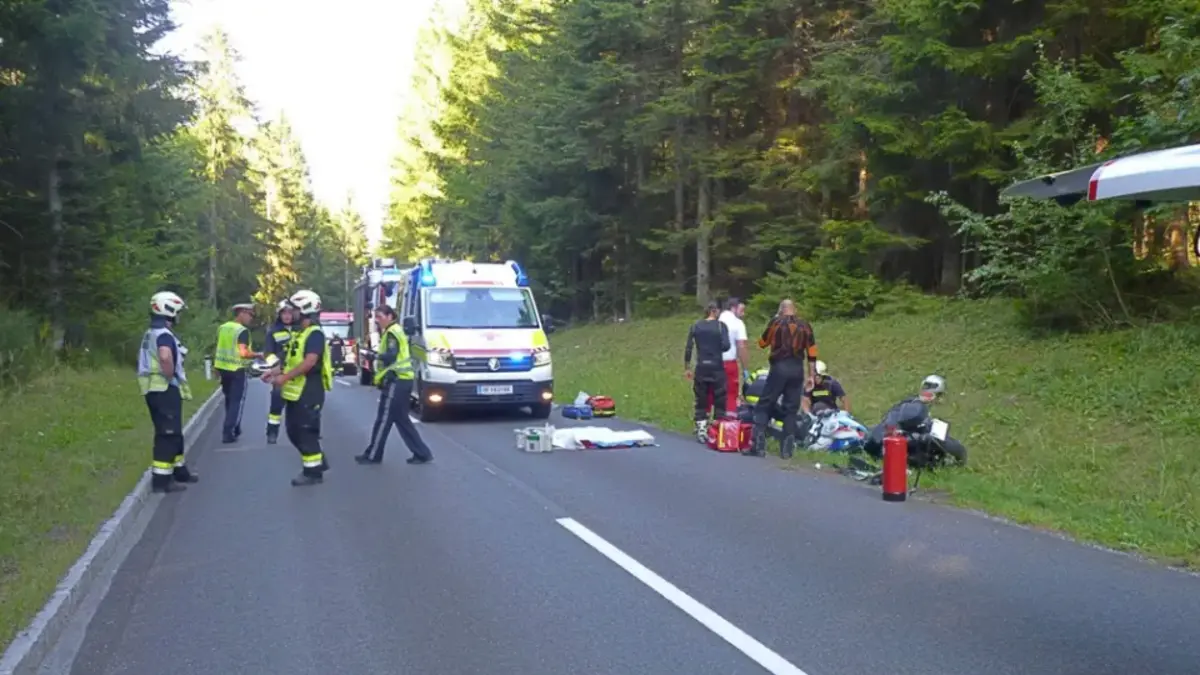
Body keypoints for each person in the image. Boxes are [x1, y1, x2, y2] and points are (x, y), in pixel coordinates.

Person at [136, 291, 199, 493]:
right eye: (177, 311)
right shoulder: (163, 334)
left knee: (173, 431)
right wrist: (170, 374)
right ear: (169, 310)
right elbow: (165, 357)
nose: (178, 315)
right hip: (163, 388)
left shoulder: (151, 332)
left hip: (153, 389)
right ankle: (162, 481)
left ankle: (180, 471)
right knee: (168, 434)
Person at [356, 305, 434, 465]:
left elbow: (392, 356)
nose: (377, 320)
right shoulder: (396, 330)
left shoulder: (392, 333)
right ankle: (422, 453)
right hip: (403, 380)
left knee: (384, 418)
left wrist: (375, 356)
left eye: (380, 316)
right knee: (401, 419)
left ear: (390, 316)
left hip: (396, 381)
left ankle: (373, 454)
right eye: (376, 317)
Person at [271, 290, 333, 486]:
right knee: (293, 430)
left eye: (295, 309)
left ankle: (313, 472)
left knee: (306, 432)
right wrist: (273, 374)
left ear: (305, 309)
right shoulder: (301, 333)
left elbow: (309, 362)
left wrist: (284, 378)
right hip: (296, 392)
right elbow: (292, 360)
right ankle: (317, 460)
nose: (292, 313)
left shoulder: (314, 334)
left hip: (309, 390)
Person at [747, 298, 817, 459]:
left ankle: (758, 445)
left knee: (765, 403)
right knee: (791, 409)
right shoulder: (805, 326)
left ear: (781, 309)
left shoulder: (776, 323)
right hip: (797, 368)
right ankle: (787, 450)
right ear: (795, 309)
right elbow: (812, 353)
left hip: (779, 367)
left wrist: (774, 320)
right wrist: (811, 376)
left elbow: (762, 343)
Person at [214, 302, 262, 444]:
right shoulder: (242, 331)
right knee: (236, 402)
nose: (251, 318)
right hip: (236, 370)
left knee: (229, 400)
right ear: (241, 313)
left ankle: (235, 427)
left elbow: (218, 348)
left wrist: (215, 368)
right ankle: (228, 432)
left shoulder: (223, 328)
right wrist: (258, 355)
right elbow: (243, 353)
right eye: (249, 315)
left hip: (223, 369)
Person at [684, 302, 731, 442]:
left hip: (702, 366)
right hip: (717, 366)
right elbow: (726, 346)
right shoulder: (720, 326)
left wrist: (687, 366)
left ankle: (701, 426)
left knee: (701, 397)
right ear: (714, 311)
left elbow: (688, 347)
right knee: (720, 397)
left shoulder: (696, 326)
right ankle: (717, 428)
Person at [261, 300, 294, 444]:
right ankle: (272, 432)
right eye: (284, 313)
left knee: (302, 406)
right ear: (279, 315)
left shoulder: (300, 330)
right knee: (276, 404)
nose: (287, 316)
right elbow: (268, 353)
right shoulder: (273, 331)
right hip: (280, 373)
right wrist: (275, 365)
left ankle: (307, 432)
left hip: (298, 372)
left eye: (290, 313)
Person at [710, 297, 749, 415]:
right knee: (731, 393)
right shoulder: (737, 323)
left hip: (712, 362)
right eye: (741, 310)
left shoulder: (716, 320)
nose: (743, 313)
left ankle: (714, 421)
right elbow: (741, 346)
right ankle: (728, 423)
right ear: (733, 308)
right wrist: (745, 368)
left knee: (715, 392)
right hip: (728, 363)